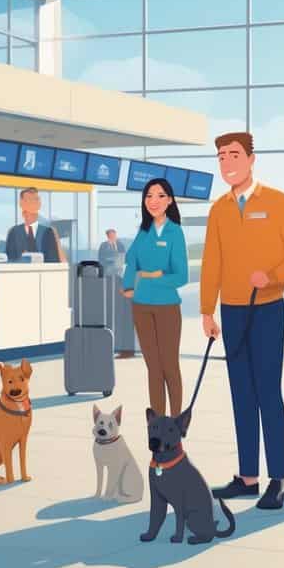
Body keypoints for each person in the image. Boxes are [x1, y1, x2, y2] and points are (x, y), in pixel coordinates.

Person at [201, 131, 284, 511]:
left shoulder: (279, 203)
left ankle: (277, 479)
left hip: (267, 310)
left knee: (267, 394)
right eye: (221, 157)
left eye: (233, 155)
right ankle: (248, 476)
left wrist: (273, 276)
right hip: (231, 312)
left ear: (251, 159)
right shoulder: (218, 209)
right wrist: (206, 310)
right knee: (241, 396)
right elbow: (211, 263)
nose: (227, 163)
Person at [121, 178, 188, 416]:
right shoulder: (144, 231)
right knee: (153, 368)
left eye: (160, 196)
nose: (153, 201)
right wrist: (128, 284)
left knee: (170, 366)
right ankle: (158, 423)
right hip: (141, 306)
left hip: (167, 307)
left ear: (169, 200)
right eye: (149, 196)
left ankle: (177, 419)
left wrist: (154, 277)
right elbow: (131, 261)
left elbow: (181, 276)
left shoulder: (175, 232)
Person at [4, 187, 65, 263]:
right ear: (21, 203)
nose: (35, 203)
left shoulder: (48, 232)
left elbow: (54, 261)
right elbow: (9, 260)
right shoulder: (14, 232)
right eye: (30, 200)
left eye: (37, 199)